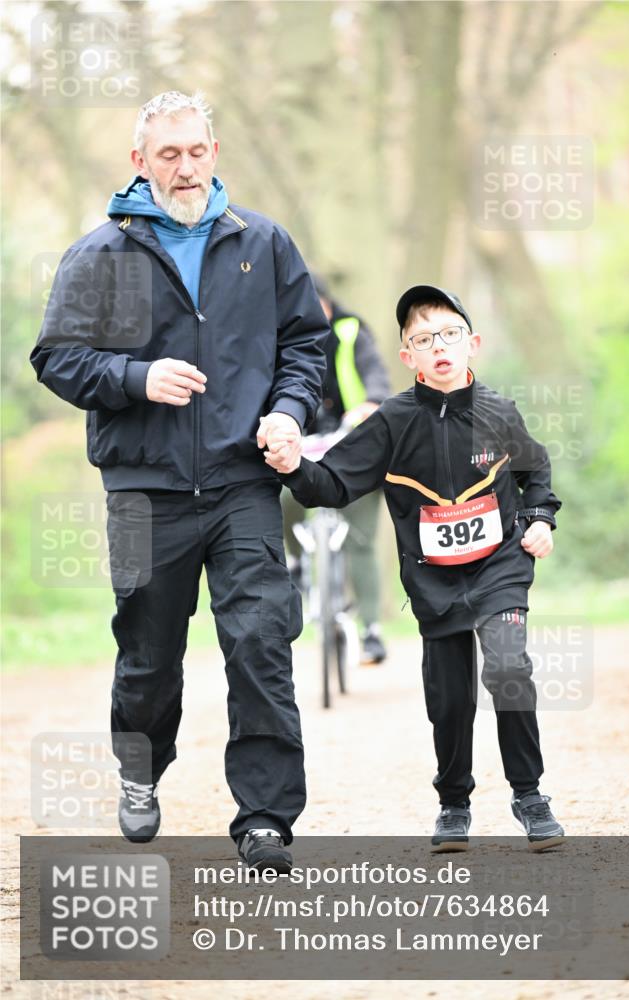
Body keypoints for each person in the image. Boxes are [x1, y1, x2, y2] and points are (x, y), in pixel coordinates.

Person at [30, 91, 328, 873]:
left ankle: (264, 816)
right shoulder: (101, 254)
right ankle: (139, 766)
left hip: (242, 483)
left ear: (215, 150)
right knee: (148, 655)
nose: (185, 166)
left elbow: (306, 345)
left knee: (261, 640)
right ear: (140, 162)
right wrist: (136, 376)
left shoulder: (261, 244)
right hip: (142, 488)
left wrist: (289, 413)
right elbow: (56, 356)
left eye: (196, 151)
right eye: (168, 154)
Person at [264, 284, 566, 852]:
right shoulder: (394, 421)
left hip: (500, 566)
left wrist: (541, 518)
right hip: (435, 580)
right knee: (449, 697)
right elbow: (333, 482)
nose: (439, 347)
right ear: (408, 357)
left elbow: (536, 469)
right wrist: (291, 465)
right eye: (423, 339)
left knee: (507, 667)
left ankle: (530, 795)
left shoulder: (500, 411)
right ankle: (454, 803)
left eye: (450, 334)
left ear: (471, 343)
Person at [281, 276, 391, 664]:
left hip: (355, 445)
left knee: (359, 539)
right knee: (281, 498)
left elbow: (376, 374)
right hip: (304, 445)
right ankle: (295, 561)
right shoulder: (281, 335)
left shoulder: (351, 332)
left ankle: (372, 631)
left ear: (327, 305)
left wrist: (372, 402)